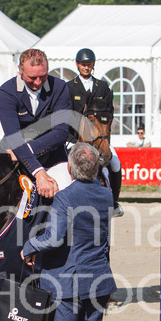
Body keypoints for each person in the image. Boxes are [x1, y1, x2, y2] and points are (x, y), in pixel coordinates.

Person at [22, 142, 116, 321]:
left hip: (69, 282)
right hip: (99, 280)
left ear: (71, 170)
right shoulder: (107, 195)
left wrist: (28, 245)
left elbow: (53, 238)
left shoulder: (64, 198)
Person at [0, 48, 73, 199]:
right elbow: (13, 137)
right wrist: (38, 171)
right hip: (13, 155)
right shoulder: (6, 92)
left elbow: (61, 132)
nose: (37, 82)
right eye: (32, 78)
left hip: (53, 158)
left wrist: (29, 150)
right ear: (20, 71)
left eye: (42, 76)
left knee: (66, 194)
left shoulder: (59, 87)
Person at [65, 47, 124, 216]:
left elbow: (109, 115)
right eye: (83, 65)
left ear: (93, 65)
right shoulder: (69, 87)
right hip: (74, 138)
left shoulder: (103, 87)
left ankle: (114, 203)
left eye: (89, 65)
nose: (86, 67)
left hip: (98, 139)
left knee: (115, 163)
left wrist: (103, 137)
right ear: (77, 65)